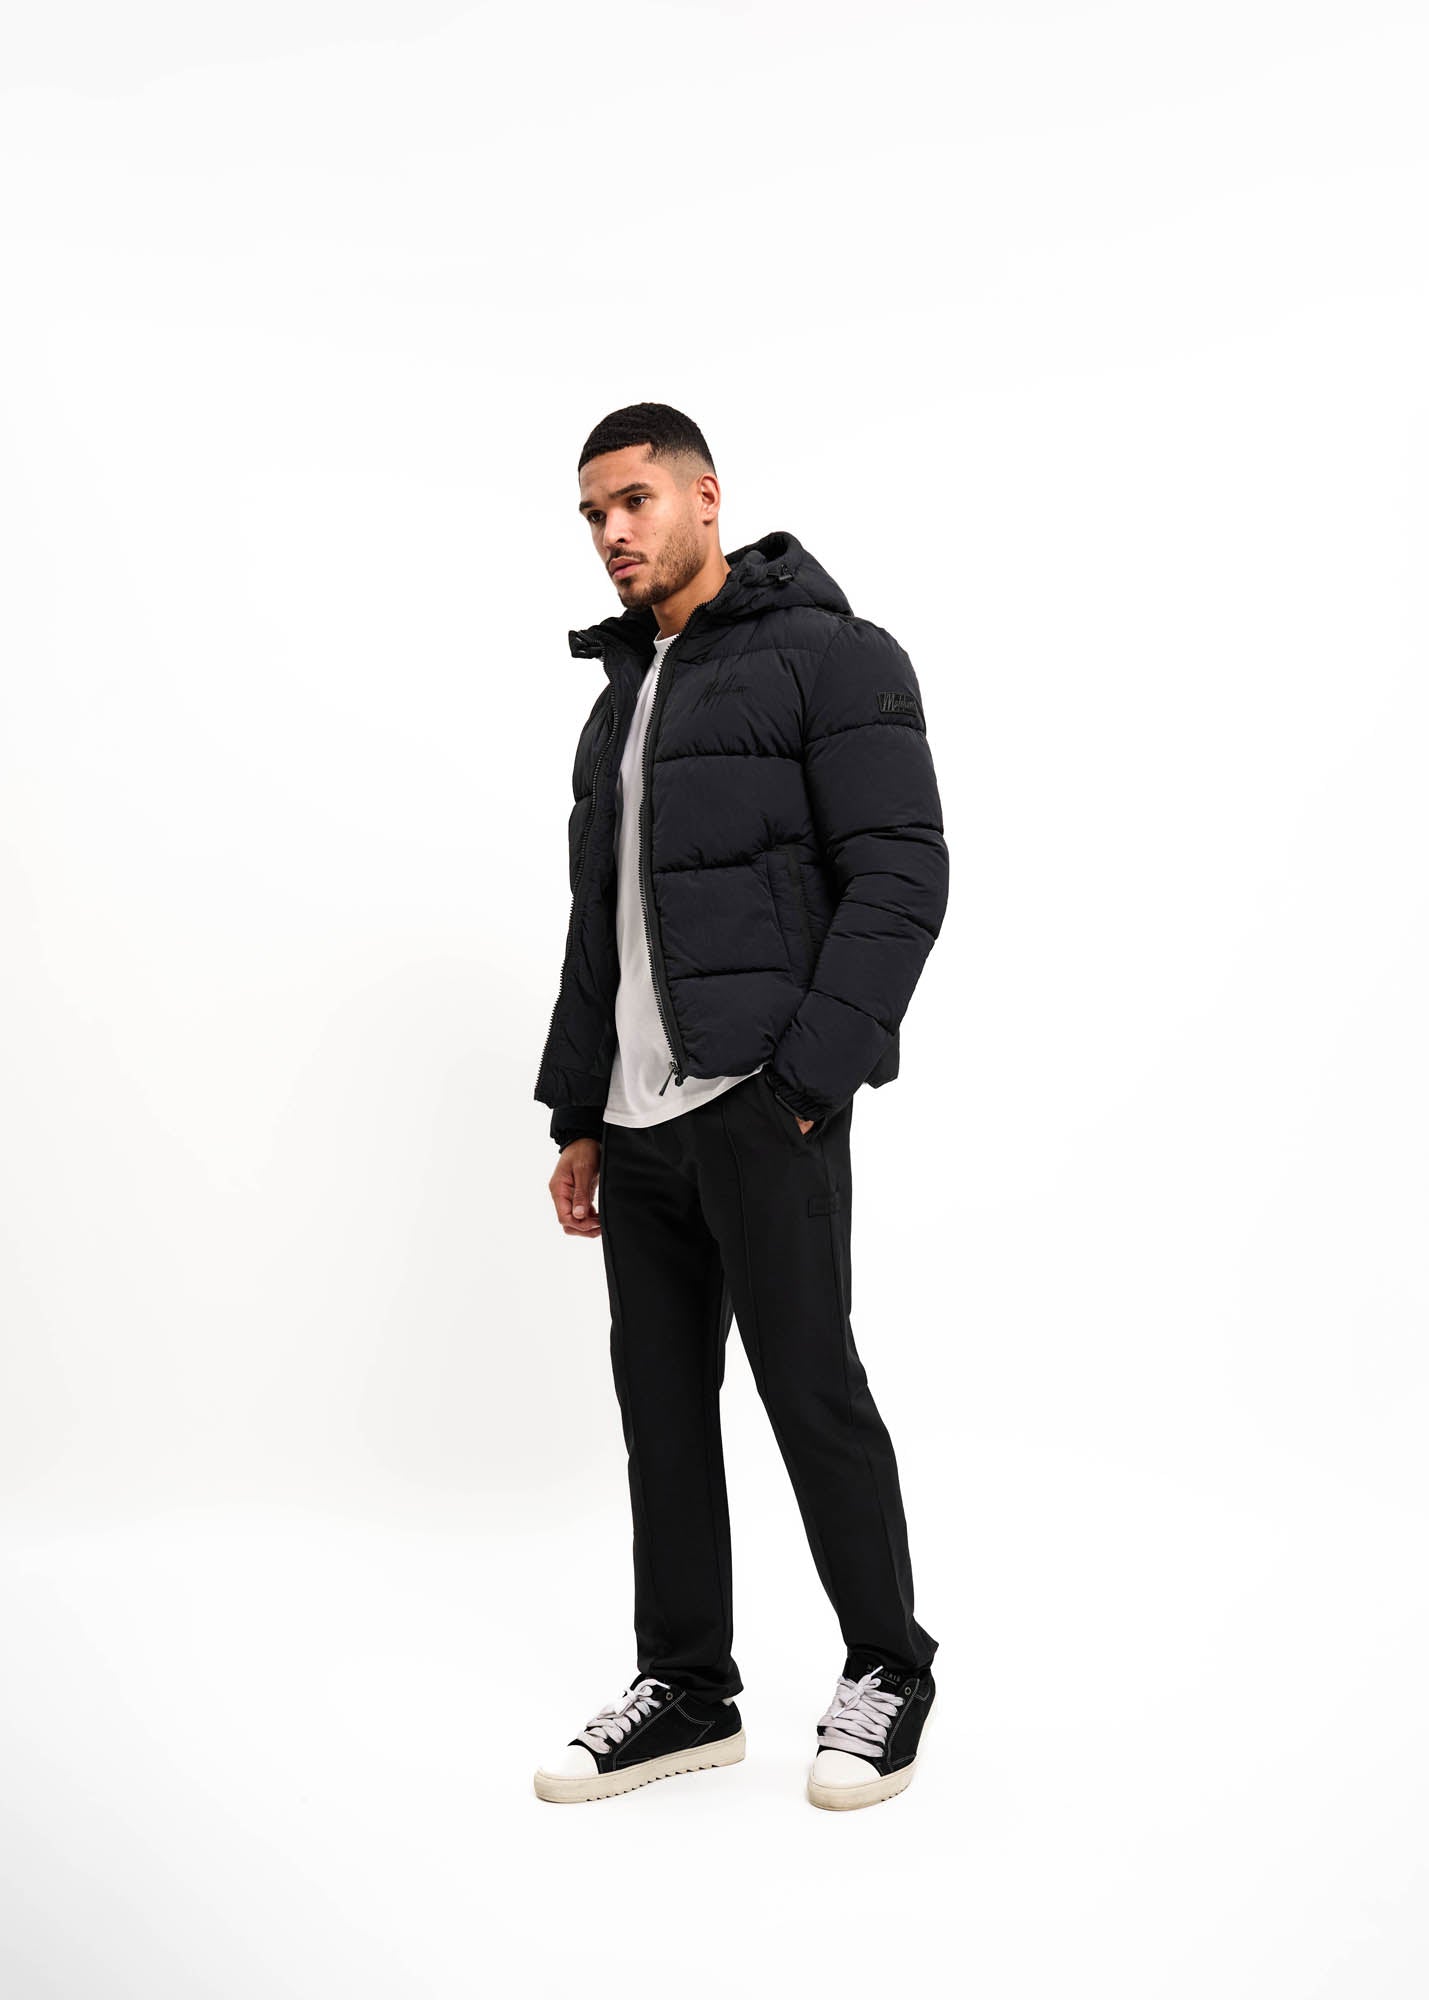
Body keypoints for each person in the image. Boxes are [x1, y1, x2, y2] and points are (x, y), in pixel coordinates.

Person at [531, 402, 948, 1811]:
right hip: (639, 1121)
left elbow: (902, 875)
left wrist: (806, 1082)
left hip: (764, 1102)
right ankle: (688, 1690)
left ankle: (887, 1665)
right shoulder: (618, 698)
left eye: (633, 501)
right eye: (592, 514)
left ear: (706, 497)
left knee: (809, 1390)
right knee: (660, 1414)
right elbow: (599, 924)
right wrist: (578, 1110)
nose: (612, 533)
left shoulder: (835, 657)